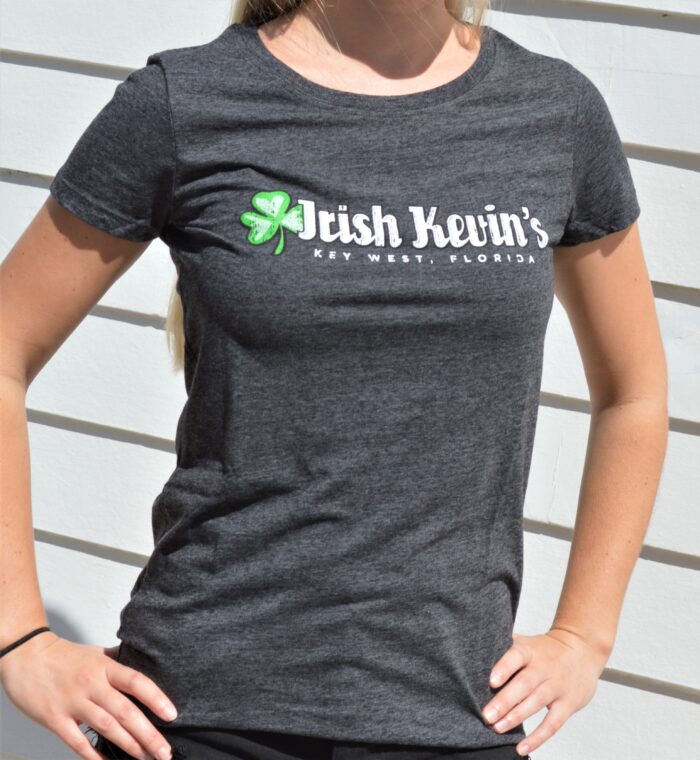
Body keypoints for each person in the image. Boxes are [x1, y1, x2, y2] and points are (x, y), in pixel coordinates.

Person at [0, 0, 669, 759]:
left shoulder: (554, 113)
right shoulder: (186, 103)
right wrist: (19, 638)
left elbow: (634, 392)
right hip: (202, 712)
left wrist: (585, 635)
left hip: (457, 711)